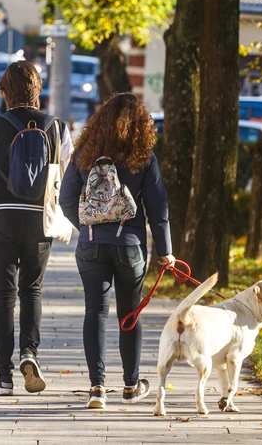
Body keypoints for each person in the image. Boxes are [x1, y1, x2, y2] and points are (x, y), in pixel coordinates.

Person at [59, 93, 174, 410]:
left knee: (94, 311)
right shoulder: (143, 156)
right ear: (141, 125)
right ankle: (130, 385)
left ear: (101, 120)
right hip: (130, 247)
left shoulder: (85, 152)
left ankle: (97, 389)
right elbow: (158, 210)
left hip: (92, 245)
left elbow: (66, 199)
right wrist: (165, 251)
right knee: (130, 314)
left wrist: (87, 227)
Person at [0, 61, 72, 396]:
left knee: (4, 295)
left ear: (5, 91)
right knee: (32, 291)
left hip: (2, 216)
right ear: (37, 89)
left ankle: (4, 377)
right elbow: (64, 178)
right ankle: (30, 353)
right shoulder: (57, 127)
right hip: (39, 218)